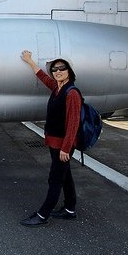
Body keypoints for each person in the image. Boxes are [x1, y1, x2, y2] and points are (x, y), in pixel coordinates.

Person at [19, 50, 82, 227]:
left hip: (63, 145)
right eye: (54, 69)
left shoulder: (72, 93)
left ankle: (43, 215)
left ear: (69, 71)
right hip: (55, 142)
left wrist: (66, 148)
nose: (58, 71)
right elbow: (43, 77)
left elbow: (73, 123)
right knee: (65, 175)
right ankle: (70, 209)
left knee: (55, 178)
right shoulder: (57, 88)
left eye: (62, 68)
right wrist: (30, 61)